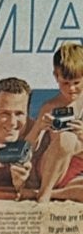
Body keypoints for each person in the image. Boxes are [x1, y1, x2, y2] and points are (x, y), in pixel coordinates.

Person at [24, 40, 83, 203]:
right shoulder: (50, 106)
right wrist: (39, 127)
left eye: (77, 83)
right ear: (56, 77)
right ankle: (44, 193)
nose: (71, 89)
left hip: (77, 173)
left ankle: (53, 194)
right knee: (67, 139)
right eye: (65, 83)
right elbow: (27, 148)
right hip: (52, 170)